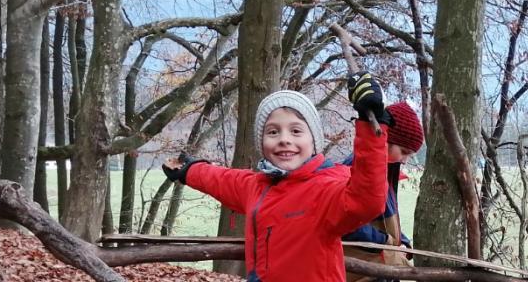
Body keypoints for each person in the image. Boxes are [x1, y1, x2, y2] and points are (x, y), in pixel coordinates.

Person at [162, 72, 390, 282]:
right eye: (272, 132)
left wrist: (372, 126)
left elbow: (366, 200)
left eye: (296, 131)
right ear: (261, 143)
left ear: (314, 143)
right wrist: (189, 171)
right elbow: (221, 179)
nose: (284, 139)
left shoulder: (325, 190)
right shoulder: (257, 185)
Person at [341, 101, 424, 281]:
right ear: (385, 138)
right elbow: (346, 223)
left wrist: (402, 241)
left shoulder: (388, 170)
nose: (405, 160)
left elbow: (387, 216)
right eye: (403, 152)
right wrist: (386, 242)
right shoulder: (354, 169)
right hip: (360, 271)